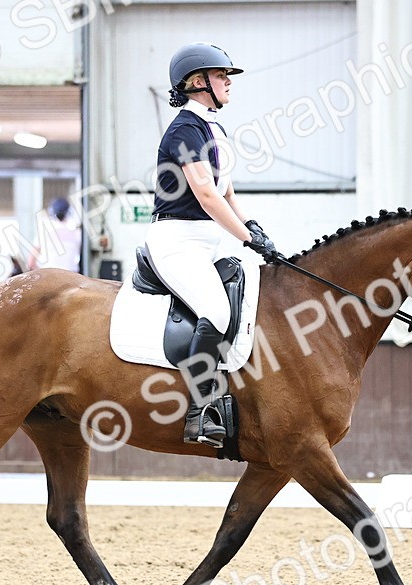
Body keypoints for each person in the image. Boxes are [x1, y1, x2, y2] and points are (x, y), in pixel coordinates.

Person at [147, 42, 279, 448]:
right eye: (222, 76)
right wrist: (245, 236)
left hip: (212, 237)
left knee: (259, 299)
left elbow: (226, 189)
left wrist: (250, 225)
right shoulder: (185, 130)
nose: (228, 83)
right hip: (177, 238)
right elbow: (205, 195)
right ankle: (199, 410)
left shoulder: (214, 128)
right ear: (197, 82)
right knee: (217, 311)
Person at [28, 197, 82, 273]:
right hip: (72, 277)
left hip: (48, 276)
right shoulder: (77, 234)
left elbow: (31, 263)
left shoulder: (44, 233)